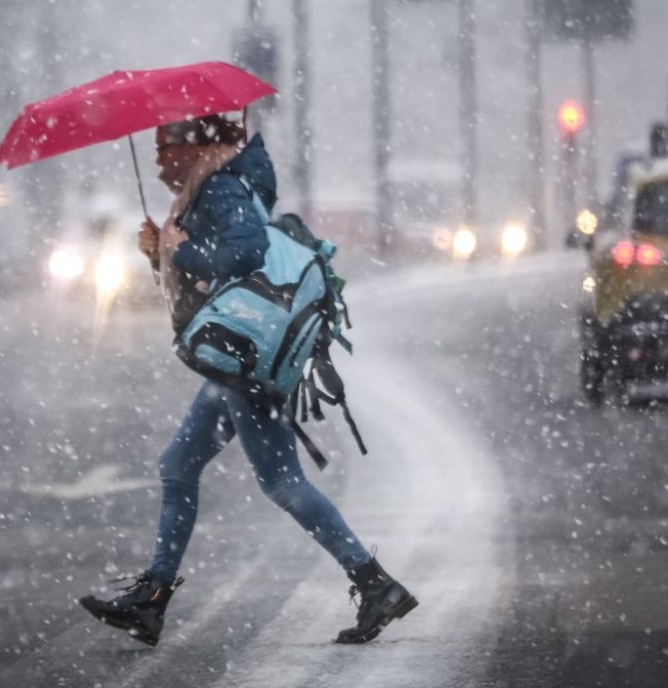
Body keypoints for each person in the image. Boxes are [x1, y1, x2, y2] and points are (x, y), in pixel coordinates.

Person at [78, 114, 416, 646]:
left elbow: (244, 253)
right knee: (178, 465)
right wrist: (161, 252)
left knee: (282, 482)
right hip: (243, 353)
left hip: (248, 355)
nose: (159, 160)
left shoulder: (219, 185)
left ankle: (373, 583)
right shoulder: (211, 186)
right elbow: (215, 271)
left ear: (193, 147)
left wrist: (178, 249)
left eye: (165, 148)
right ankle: (153, 598)